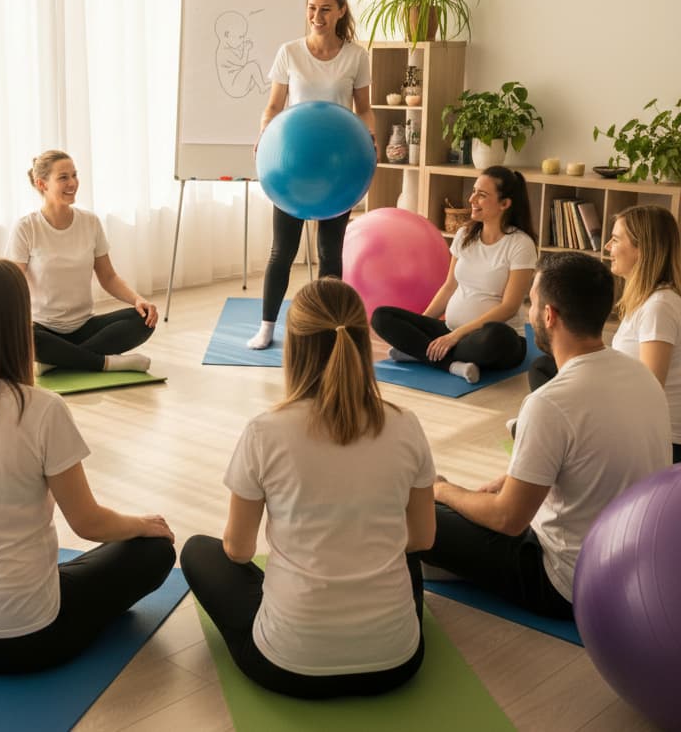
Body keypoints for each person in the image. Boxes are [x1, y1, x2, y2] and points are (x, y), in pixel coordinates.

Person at [0, 257, 176, 673]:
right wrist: (141, 524)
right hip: (20, 638)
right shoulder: (41, 409)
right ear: (18, 324)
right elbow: (88, 524)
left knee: (73, 570)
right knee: (154, 552)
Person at [183, 278, 436, 698]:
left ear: (293, 348)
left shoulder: (265, 432)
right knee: (402, 558)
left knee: (196, 550)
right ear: (361, 341)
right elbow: (423, 538)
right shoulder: (406, 425)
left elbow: (238, 551)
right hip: (397, 662)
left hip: (288, 666)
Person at [423, 253, 671, 617]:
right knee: (457, 506)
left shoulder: (550, 402)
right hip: (628, 569)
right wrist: (513, 477)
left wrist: (442, 489)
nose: (531, 310)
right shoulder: (642, 377)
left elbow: (508, 519)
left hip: (566, 582)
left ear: (550, 315)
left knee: (417, 508)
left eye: (533, 303)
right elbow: (598, 455)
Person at [247, 0, 375, 350]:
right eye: (311, 8)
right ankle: (267, 326)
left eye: (324, 9)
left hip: (338, 169)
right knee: (281, 251)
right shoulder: (290, 52)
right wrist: (264, 133)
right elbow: (274, 106)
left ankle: (329, 327)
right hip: (292, 166)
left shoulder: (356, 56)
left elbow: (363, 109)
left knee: (329, 252)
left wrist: (371, 139)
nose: (316, 16)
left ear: (340, 11)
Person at [528, 205, 681, 463]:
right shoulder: (649, 300)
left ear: (642, 249)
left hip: (661, 442)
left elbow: (649, 389)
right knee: (544, 367)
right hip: (633, 420)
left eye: (616, 239)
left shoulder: (660, 306)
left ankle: (563, 435)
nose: (608, 246)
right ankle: (559, 431)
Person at [371, 166, 537, 384]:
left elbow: (509, 307)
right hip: (450, 329)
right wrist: (421, 324)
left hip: (492, 339)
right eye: (474, 191)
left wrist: (454, 337)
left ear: (504, 204)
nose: (472, 199)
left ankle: (419, 352)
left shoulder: (520, 244)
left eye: (482, 195)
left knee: (496, 337)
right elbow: (449, 286)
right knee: (381, 316)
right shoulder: (464, 235)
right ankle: (450, 364)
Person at [7, 151, 157, 374]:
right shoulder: (26, 228)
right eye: (63, 177)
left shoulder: (90, 222)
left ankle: (57, 361)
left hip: (84, 326)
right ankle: (107, 363)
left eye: (74, 175)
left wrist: (138, 300)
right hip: (43, 329)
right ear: (42, 184)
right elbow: (12, 284)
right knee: (22, 336)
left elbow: (108, 277)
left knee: (142, 319)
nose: (73, 183)